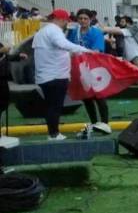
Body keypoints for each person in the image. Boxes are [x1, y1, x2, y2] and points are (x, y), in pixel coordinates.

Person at [32, 9, 90, 140]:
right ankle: (54, 134)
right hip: (55, 76)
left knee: (51, 106)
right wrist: (85, 50)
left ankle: (53, 132)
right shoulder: (54, 31)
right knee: (55, 106)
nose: (66, 24)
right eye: (66, 21)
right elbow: (63, 45)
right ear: (62, 19)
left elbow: (57, 51)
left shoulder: (42, 32)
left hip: (47, 75)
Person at [69, 9, 113, 137]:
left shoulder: (96, 32)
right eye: (80, 18)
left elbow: (97, 50)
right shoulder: (73, 32)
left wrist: (81, 52)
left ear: (90, 20)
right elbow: (68, 46)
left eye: (85, 18)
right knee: (86, 96)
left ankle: (105, 123)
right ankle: (94, 123)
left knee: (99, 95)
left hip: (94, 68)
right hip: (79, 68)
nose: (82, 21)